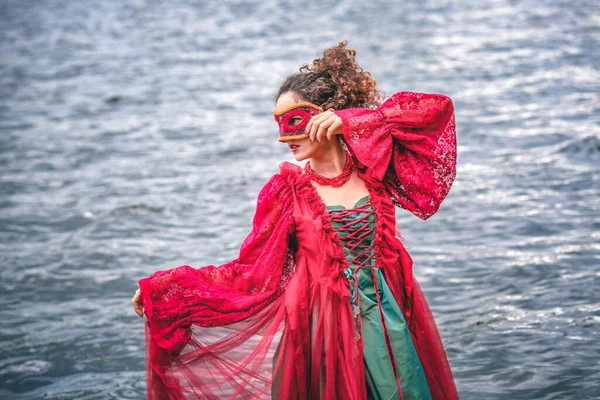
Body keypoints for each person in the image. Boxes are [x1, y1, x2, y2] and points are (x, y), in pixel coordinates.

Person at [132, 40, 459, 400]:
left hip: (391, 325)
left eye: (294, 120)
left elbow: (436, 111)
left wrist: (354, 121)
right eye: (278, 123)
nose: (283, 136)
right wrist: (168, 291)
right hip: (322, 335)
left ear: (325, 115)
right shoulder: (287, 191)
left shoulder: (375, 169)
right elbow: (250, 273)